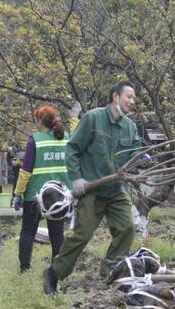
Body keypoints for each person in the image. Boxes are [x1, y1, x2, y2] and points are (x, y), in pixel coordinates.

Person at [44, 81, 141, 294]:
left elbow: (135, 153)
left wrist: (142, 160)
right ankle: (54, 273)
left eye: (134, 98)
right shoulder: (93, 118)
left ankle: (110, 269)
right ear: (115, 97)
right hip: (92, 191)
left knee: (127, 228)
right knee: (81, 235)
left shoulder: (129, 127)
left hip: (116, 190)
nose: (132, 102)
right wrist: (76, 178)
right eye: (129, 96)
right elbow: (73, 149)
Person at [12, 106, 71, 272]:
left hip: (35, 196)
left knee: (28, 232)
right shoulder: (66, 138)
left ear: (39, 121)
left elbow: (26, 171)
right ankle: (57, 269)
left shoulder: (35, 141)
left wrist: (18, 194)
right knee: (57, 234)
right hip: (59, 197)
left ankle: (25, 268)